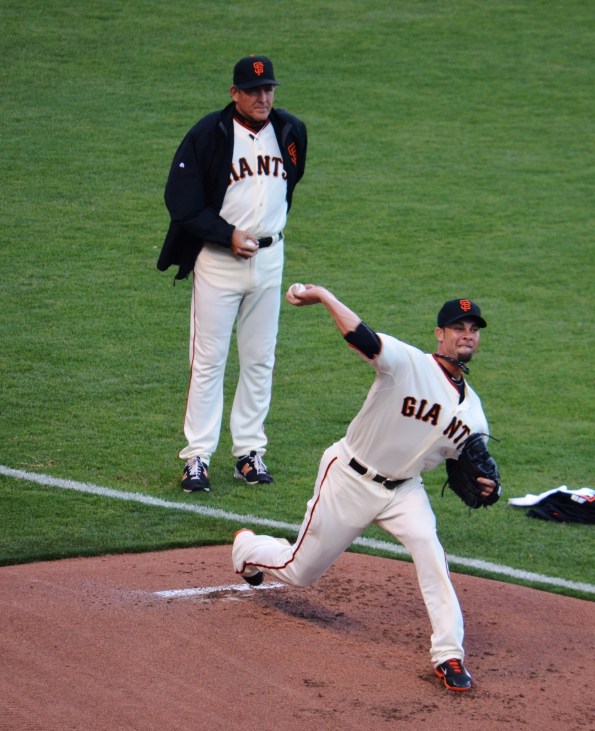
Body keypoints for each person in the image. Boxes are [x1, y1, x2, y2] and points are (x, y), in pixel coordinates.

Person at [232, 287, 496, 692]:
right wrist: (323, 296)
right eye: (458, 327)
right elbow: (362, 337)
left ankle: (449, 654)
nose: (467, 334)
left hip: (405, 491)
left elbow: (467, 465)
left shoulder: (474, 413)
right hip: (350, 478)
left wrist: (488, 486)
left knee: (430, 550)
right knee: (300, 572)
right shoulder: (408, 363)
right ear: (439, 334)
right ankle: (248, 549)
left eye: (473, 329)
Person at [157, 55, 308, 492]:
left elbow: (288, 185)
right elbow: (181, 202)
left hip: (270, 260)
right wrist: (226, 235)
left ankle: (249, 452)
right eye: (254, 90)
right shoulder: (210, 133)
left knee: (261, 359)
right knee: (208, 360)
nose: (263, 97)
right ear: (234, 93)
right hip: (219, 262)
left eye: (269, 89)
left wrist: (263, 236)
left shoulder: (290, 130)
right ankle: (197, 457)